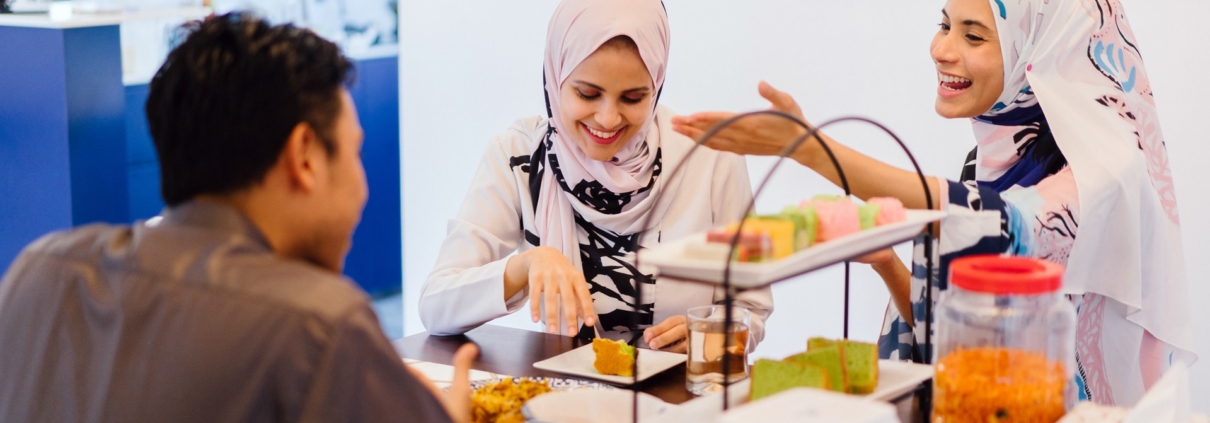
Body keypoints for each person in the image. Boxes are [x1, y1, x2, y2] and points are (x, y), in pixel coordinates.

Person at [672, 0, 1194, 406]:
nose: (941, 49)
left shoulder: (1110, 172)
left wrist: (812, 149)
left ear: (1042, 50)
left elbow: (999, 221)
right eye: (944, 24)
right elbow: (950, 335)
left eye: (973, 35)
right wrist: (890, 266)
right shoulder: (988, 160)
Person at [0, 13, 476, 423]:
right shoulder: (319, 324)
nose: (363, 186)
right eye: (356, 152)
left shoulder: (39, 269)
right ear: (304, 156)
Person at [419, 0, 773, 352]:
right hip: (565, 400)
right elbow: (436, 306)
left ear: (657, 85)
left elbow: (751, 308)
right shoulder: (520, 157)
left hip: (678, 398)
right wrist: (525, 265)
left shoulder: (710, 157)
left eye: (633, 98)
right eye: (587, 93)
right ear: (556, 76)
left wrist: (711, 333)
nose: (607, 119)